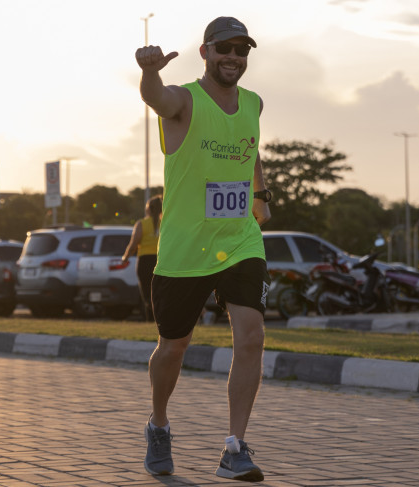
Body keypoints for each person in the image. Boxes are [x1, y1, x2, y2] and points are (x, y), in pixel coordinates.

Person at [135, 16, 272, 482]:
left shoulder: (253, 102)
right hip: (185, 246)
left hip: (239, 240)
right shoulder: (184, 100)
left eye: (242, 49)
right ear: (206, 52)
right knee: (174, 347)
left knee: (251, 336)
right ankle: (158, 424)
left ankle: (234, 447)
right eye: (224, 48)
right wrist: (150, 71)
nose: (234, 56)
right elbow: (156, 97)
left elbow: (250, 148)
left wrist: (261, 194)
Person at [122, 195, 162, 322]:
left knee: (147, 293)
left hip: (145, 261)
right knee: (160, 292)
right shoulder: (166, 223)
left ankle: (150, 320)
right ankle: (161, 320)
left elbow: (133, 244)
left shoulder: (142, 224)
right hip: (161, 261)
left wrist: (125, 258)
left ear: (148, 209)